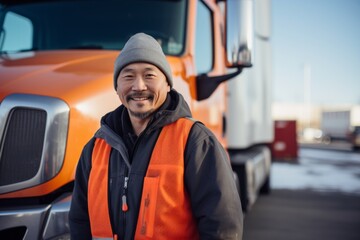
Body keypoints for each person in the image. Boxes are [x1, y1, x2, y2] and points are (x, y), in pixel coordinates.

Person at [69, 32, 243, 240]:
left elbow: (221, 227)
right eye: (128, 76)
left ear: (168, 84)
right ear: (117, 87)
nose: (139, 86)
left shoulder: (195, 142)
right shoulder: (95, 148)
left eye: (149, 75)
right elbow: (80, 221)